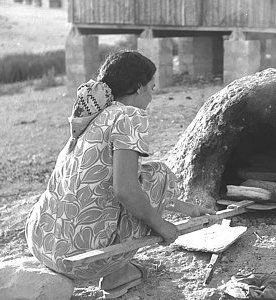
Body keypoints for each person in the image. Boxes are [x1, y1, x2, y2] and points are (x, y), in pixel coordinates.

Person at [25, 50, 216, 298]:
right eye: (151, 87)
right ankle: (117, 272)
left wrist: (188, 210)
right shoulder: (130, 116)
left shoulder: (95, 114)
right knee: (159, 173)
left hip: (42, 241)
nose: (152, 95)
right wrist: (162, 226)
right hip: (81, 260)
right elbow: (125, 190)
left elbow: (114, 184)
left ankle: (119, 271)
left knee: (142, 176)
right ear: (137, 87)